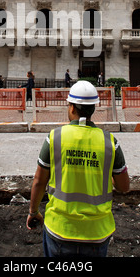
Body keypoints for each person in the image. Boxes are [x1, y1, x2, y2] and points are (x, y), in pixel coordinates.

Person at [26, 80, 130, 258]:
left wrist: (33, 212)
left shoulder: (54, 138)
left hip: (60, 229)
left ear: (72, 108)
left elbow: (39, 181)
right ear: (93, 109)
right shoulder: (110, 142)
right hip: (96, 232)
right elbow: (123, 186)